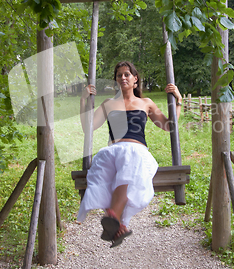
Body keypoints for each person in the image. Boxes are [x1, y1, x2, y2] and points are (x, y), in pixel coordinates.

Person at [76, 61, 183, 247]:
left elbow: (168, 126)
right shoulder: (108, 104)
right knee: (120, 167)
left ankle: (115, 218)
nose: (123, 77)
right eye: (119, 75)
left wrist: (178, 101)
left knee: (129, 164)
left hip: (136, 150)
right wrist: (83, 100)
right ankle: (120, 224)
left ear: (135, 80)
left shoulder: (146, 103)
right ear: (116, 81)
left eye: (127, 74)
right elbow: (88, 128)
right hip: (112, 153)